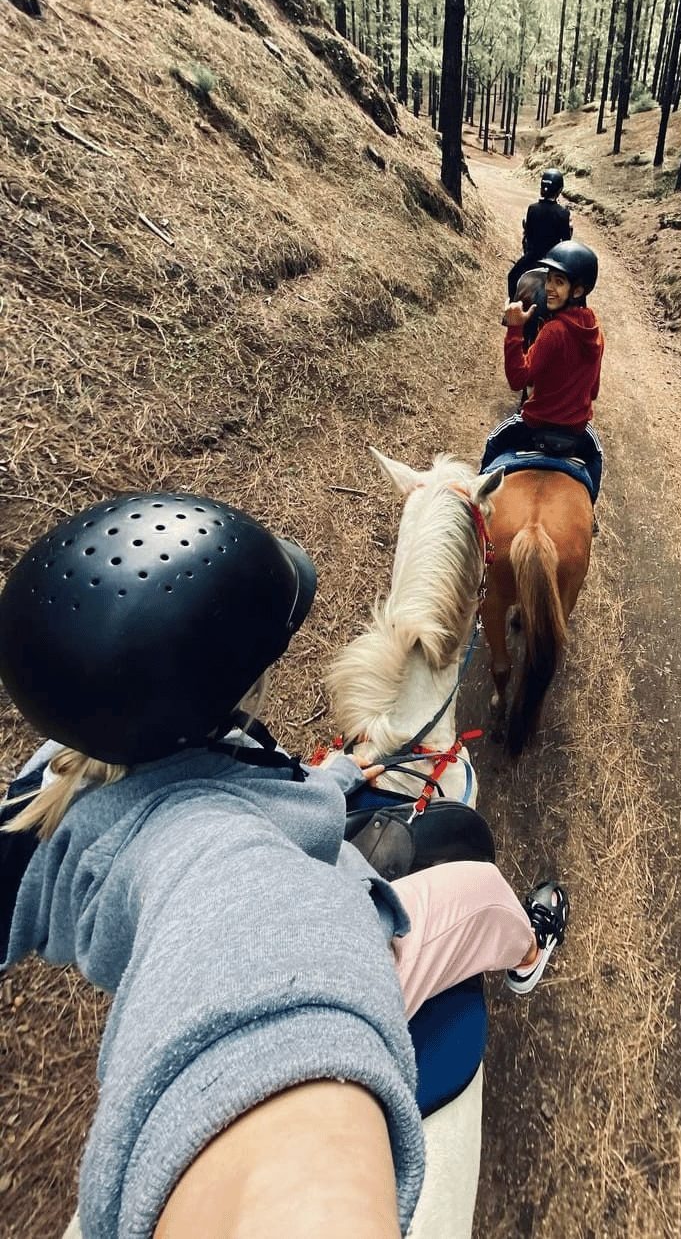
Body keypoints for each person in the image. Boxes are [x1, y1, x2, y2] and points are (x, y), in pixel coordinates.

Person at [0, 491, 569, 1239]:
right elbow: (268, 959)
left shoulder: (62, 768)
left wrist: (333, 777)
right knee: (478, 882)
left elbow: (253, 790)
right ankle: (528, 948)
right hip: (341, 930)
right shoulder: (223, 855)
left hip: (166, 943)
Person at [483, 239, 605, 507]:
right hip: (576, 430)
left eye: (559, 282)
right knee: (596, 458)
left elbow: (518, 379)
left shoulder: (553, 331)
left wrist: (515, 329)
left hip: (534, 424)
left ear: (578, 290)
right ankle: (590, 510)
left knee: (493, 442)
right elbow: (593, 390)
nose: (549, 287)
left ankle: (477, 508)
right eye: (549, 279)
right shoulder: (596, 331)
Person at [505, 168, 573, 301]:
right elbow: (565, 241)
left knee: (512, 276)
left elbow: (528, 235)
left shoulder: (532, 208)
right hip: (552, 261)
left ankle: (513, 305)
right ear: (559, 191)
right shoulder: (563, 213)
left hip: (532, 257)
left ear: (542, 188)